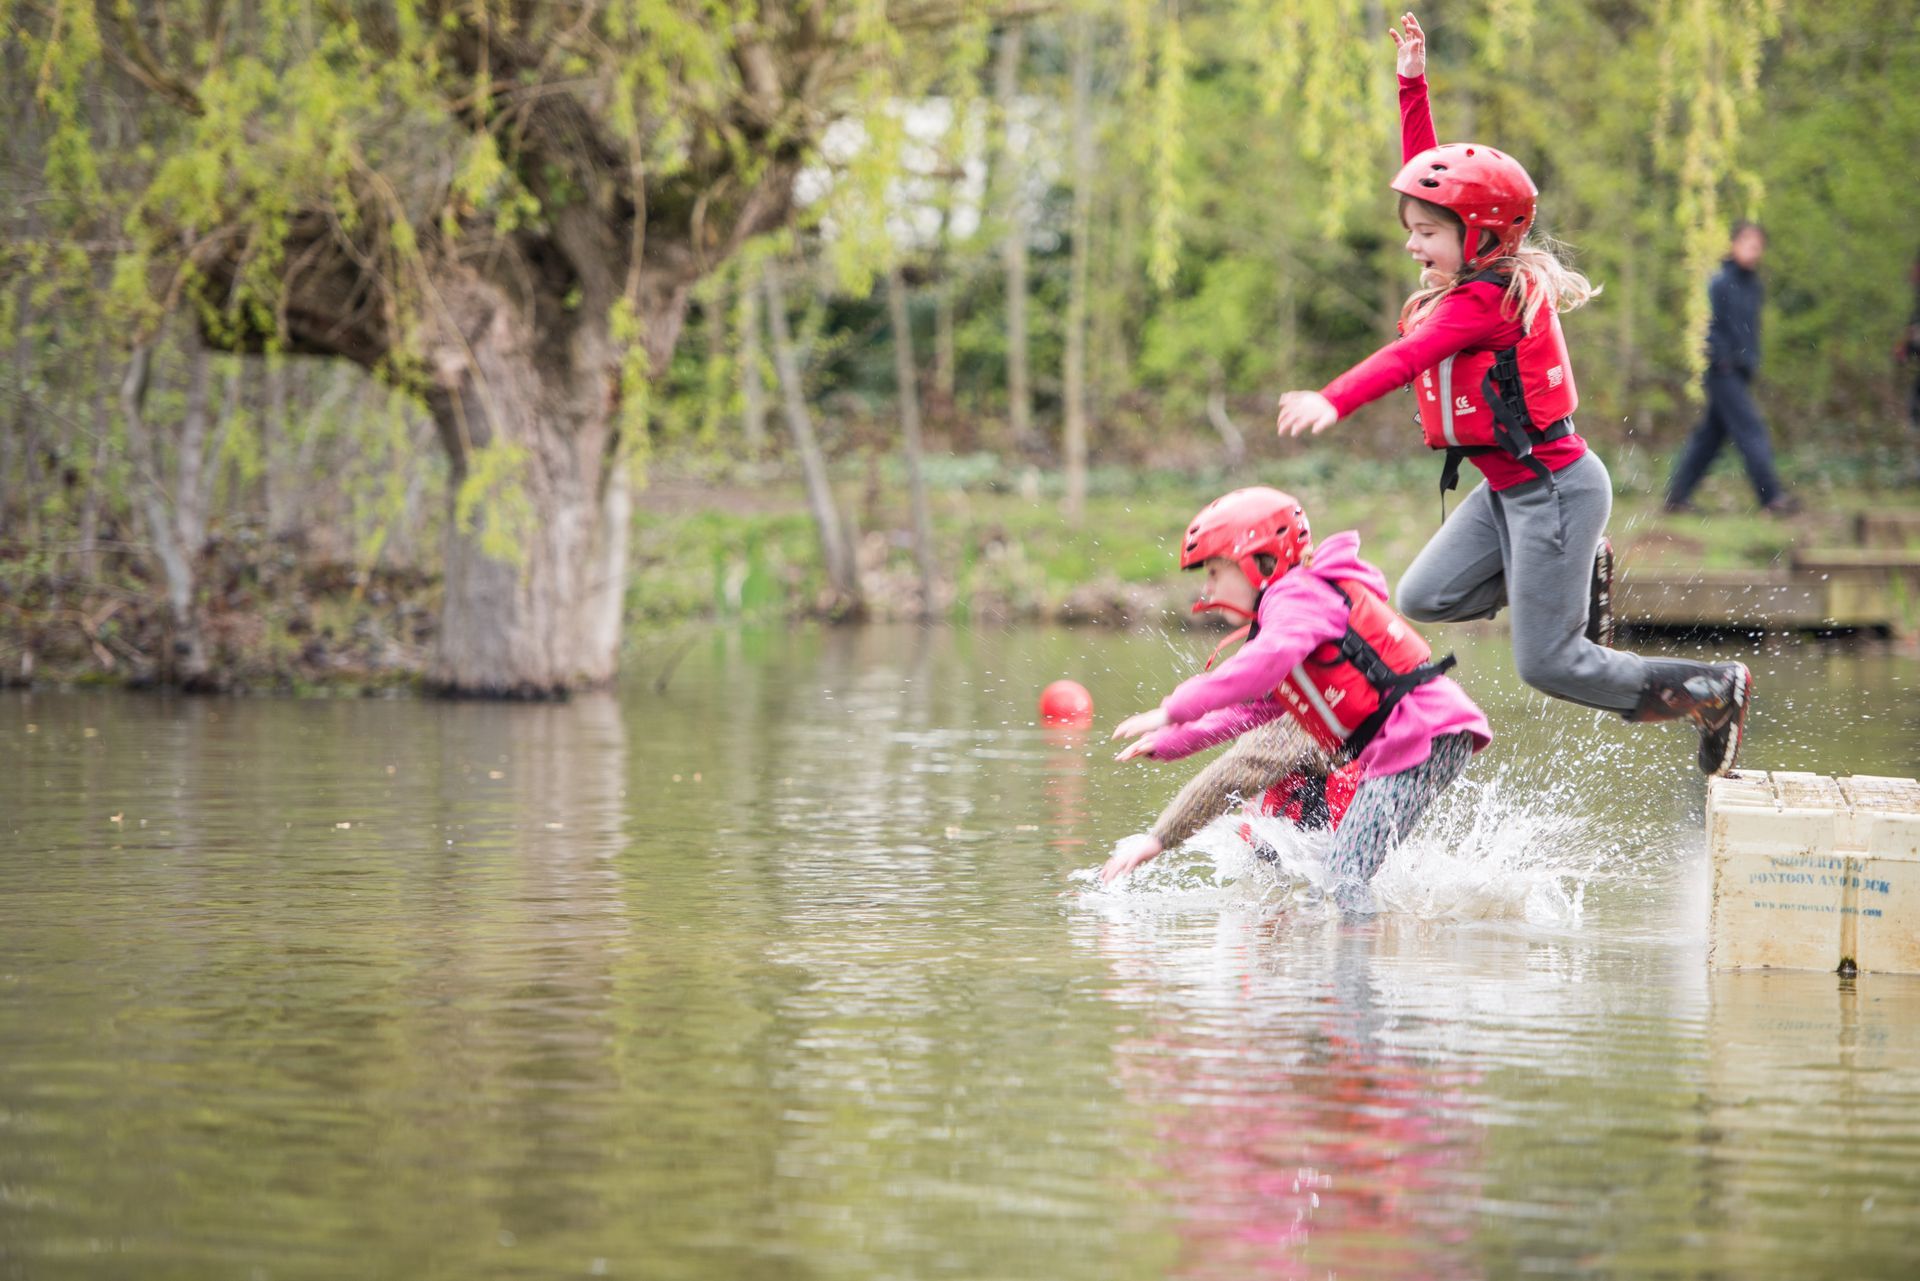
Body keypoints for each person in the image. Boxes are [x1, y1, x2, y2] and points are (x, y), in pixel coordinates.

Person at [1269, 12, 1751, 776]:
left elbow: (1407, 355)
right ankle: (1574, 573)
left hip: (1554, 491)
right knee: (1424, 593)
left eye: (1427, 234)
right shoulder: (1468, 270)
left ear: (1480, 236)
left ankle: (1712, 687)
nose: (1411, 243)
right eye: (1413, 229)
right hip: (1509, 493)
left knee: (1550, 663)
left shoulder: (1479, 303)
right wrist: (1411, 85)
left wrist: (1335, 398)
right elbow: (1427, 171)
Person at [1103, 487, 1490, 911]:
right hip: (1415, 739)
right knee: (1342, 878)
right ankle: (1364, 953)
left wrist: (1171, 709)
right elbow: (1250, 710)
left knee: (1344, 878)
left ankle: (1356, 974)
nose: (1207, 587)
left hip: (1420, 735)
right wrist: (1172, 740)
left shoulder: (1296, 601)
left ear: (1257, 563)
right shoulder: (1294, 622)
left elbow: (1256, 673)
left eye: (1214, 572)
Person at [1102, 720, 1362, 882]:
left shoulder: (1292, 694)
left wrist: (1159, 839)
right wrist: (1171, 738)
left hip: (1336, 790)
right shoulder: (1285, 662)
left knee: (1338, 885)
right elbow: (1235, 708)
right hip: (1329, 786)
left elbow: (1236, 771)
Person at [1664, 221, 1799, 514]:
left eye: (1758, 245)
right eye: (1748, 243)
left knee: (1710, 437)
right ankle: (1772, 497)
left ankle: (1676, 497)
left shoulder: (1754, 286)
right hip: (1722, 370)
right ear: (1734, 244)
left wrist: (1749, 362)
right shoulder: (1720, 281)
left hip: (1741, 370)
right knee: (1752, 429)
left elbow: (1749, 330)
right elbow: (1709, 324)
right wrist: (1722, 358)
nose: (1754, 251)